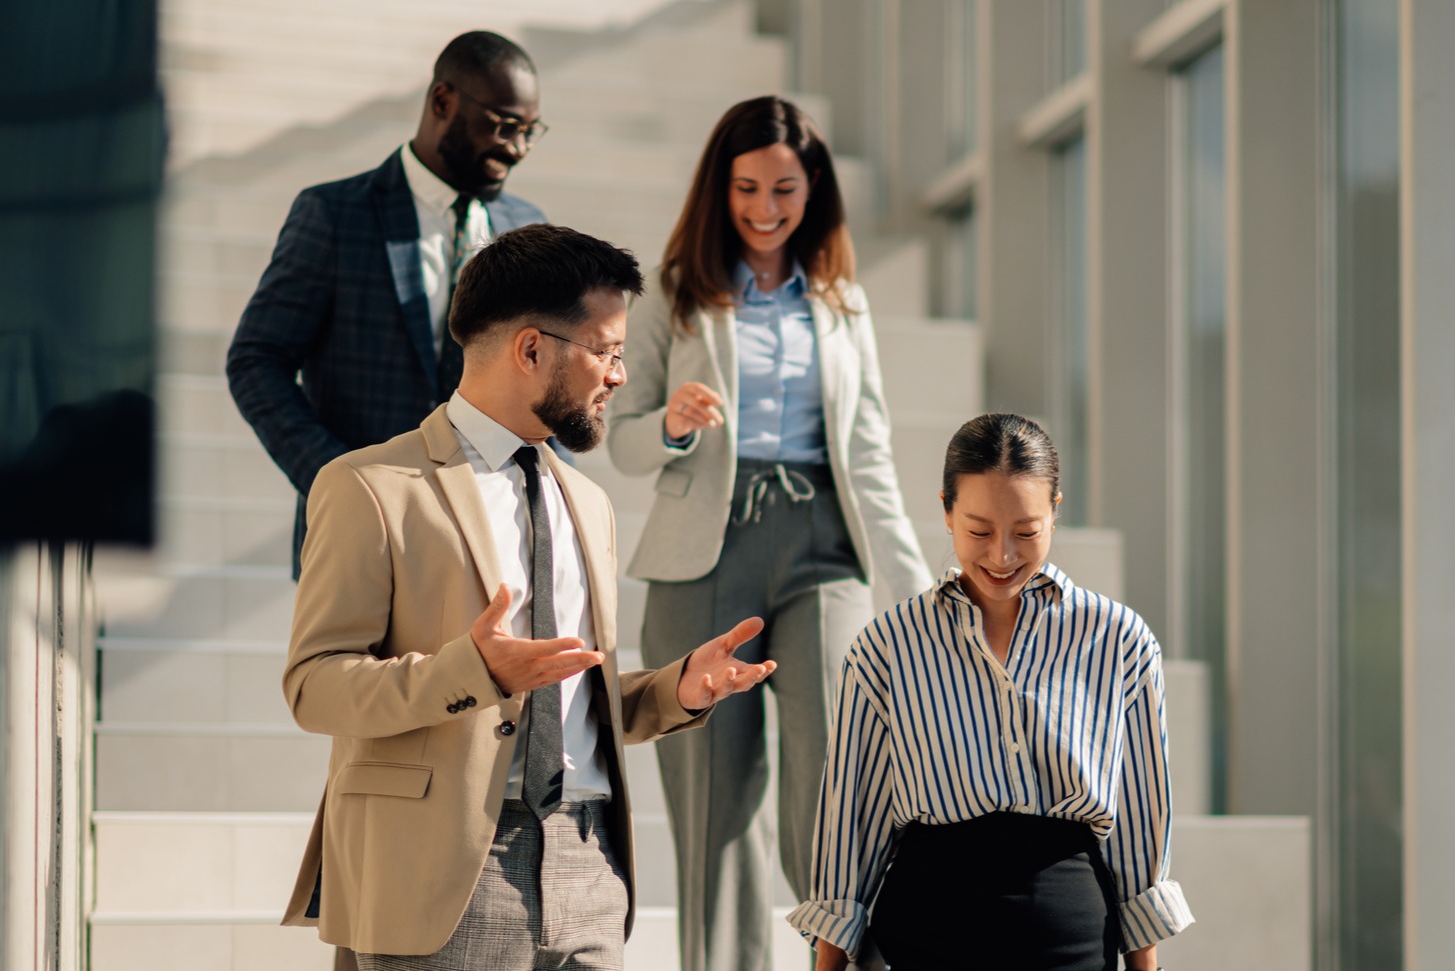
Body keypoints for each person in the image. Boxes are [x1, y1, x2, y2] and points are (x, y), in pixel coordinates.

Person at [278, 223, 779, 971]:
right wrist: (470, 671)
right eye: (606, 351)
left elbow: (572, 694)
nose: (618, 376)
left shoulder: (590, 502)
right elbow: (313, 686)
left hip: (590, 859)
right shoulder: (370, 487)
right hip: (440, 868)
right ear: (532, 348)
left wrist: (676, 689)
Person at [604, 95, 929, 971]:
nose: (763, 207)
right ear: (721, 187)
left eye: (782, 188)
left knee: (835, 775)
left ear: (811, 187)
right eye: (746, 187)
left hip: (824, 546)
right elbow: (618, 436)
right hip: (702, 548)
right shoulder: (674, 294)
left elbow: (869, 456)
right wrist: (671, 422)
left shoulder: (841, 305)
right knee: (713, 802)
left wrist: (923, 593)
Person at [788, 414, 1195, 971]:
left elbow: (1141, 822)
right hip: (925, 934)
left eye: (1026, 532)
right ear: (947, 510)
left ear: (1055, 509)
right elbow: (851, 821)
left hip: (1072, 935)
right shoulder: (887, 646)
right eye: (979, 530)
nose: (1002, 556)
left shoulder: (1120, 640)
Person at [227, 30, 554, 577]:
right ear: (443, 101)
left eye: (528, 131)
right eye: (502, 125)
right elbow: (256, 360)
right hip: (359, 539)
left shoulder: (528, 226)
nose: (516, 148)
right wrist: (336, 478)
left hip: (494, 536)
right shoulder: (334, 214)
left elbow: (546, 374)